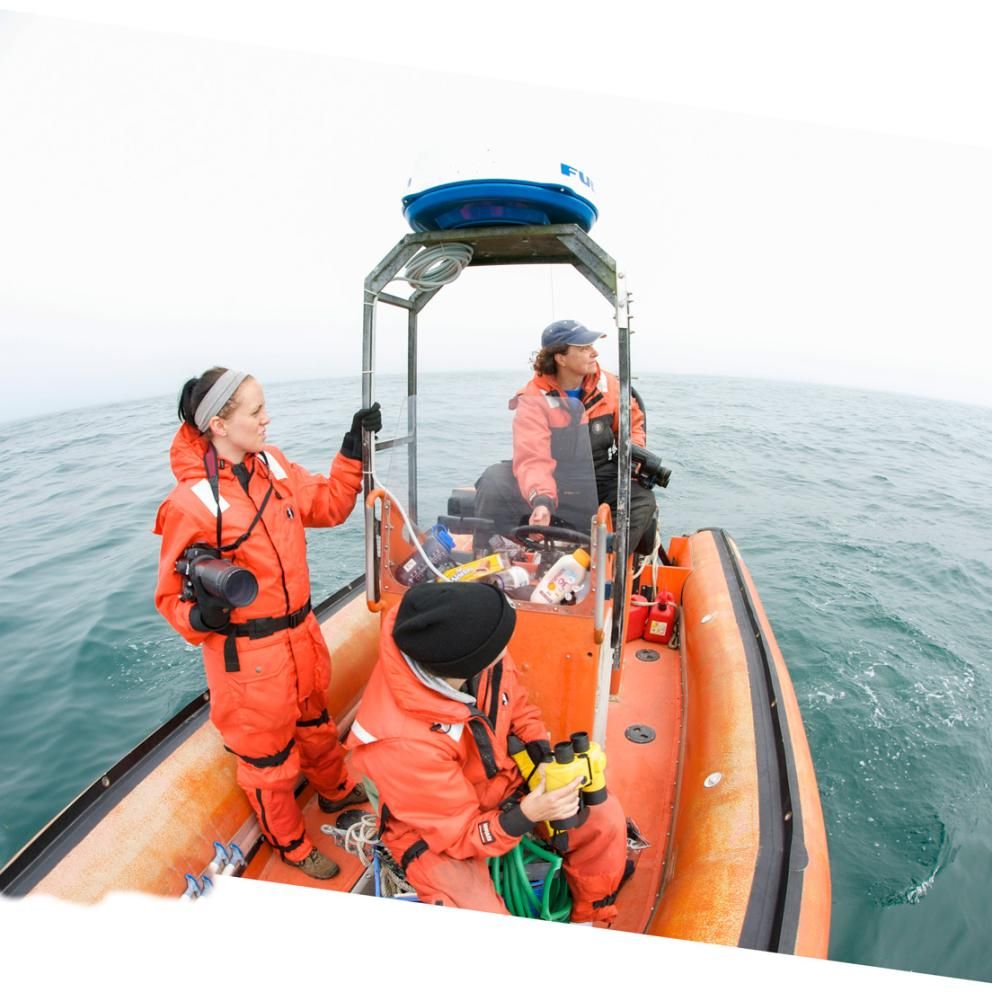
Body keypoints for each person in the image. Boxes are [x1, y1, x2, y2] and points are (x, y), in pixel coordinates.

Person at [153, 366, 381, 880]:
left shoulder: (272, 465)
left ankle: (335, 792)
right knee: (268, 762)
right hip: (248, 661)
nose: (266, 419)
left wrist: (351, 452)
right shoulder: (188, 504)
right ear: (218, 424)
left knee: (318, 726)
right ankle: (291, 844)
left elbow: (327, 505)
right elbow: (168, 597)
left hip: (301, 637)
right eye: (255, 411)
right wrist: (201, 614)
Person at [347, 582, 630, 923]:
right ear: (466, 664)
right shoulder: (401, 744)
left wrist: (540, 755)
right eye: (500, 645)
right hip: (433, 828)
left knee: (604, 819)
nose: (507, 648)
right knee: (473, 905)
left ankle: (591, 915)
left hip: (499, 782)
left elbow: (517, 705)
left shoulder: (474, 652)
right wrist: (526, 815)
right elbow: (458, 836)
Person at [475, 319, 658, 554]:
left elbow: (633, 426)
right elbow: (533, 457)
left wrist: (633, 459)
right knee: (493, 480)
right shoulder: (533, 397)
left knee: (641, 498)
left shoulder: (611, 387)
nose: (594, 353)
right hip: (551, 476)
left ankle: (602, 559)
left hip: (597, 475)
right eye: (583, 348)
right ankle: (489, 554)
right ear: (560, 358)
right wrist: (542, 501)